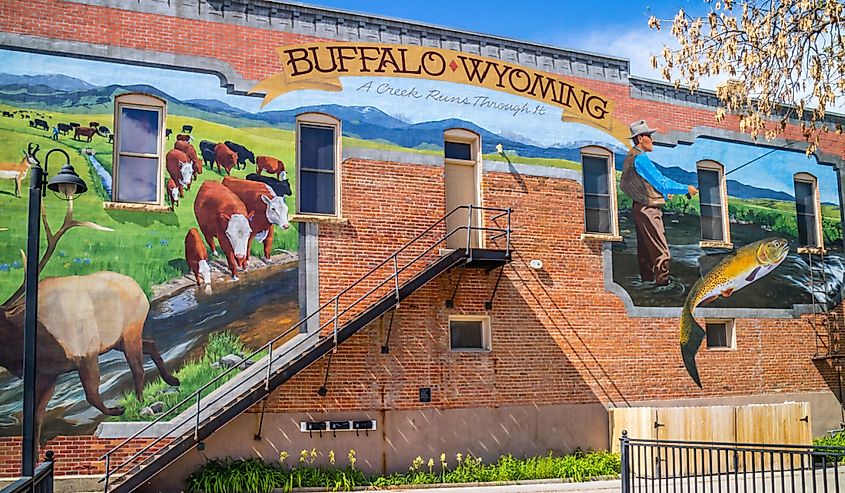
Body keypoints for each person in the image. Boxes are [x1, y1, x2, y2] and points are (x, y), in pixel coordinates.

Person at [619, 120, 698, 287]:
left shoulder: (630, 156)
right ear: (640, 138)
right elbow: (662, 182)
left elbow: (637, 183)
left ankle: (647, 283)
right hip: (648, 209)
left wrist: (661, 193)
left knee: (646, 251)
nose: (652, 140)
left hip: (638, 207)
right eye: (649, 136)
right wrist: (686, 189)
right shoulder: (641, 159)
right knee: (662, 252)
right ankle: (663, 286)